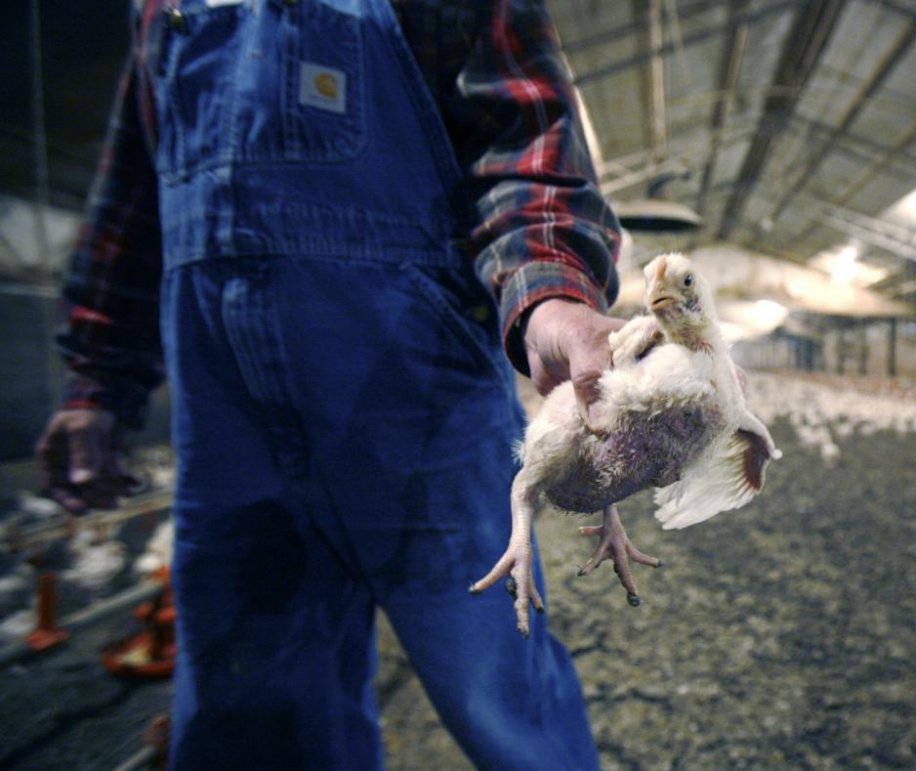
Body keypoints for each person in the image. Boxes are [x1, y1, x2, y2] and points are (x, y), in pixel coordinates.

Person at [33, 0, 623, 768]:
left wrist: (549, 295)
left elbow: (525, 139)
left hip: (417, 406)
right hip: (227, 433)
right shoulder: (159, 7)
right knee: (251, 710)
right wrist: (98, 379)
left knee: (500, 689)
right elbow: (134, 198)